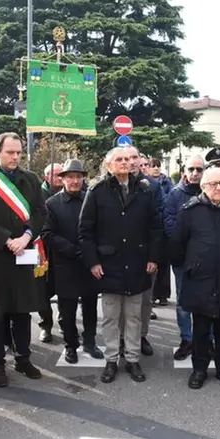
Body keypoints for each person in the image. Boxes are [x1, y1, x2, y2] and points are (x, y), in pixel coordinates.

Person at [0, 132, 48, 387]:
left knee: (22, 311)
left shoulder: (31, 179)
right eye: (10, 152)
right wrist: (6, 239)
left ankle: (23, 358)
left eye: (19, 152)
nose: (15, 157)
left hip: (23, 253)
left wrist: (26, 236)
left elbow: (39, 212)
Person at [79, 147, 163, 383]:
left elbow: (156, 227)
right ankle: (112, 359)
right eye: (120, 159)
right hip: (109, 264)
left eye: (128, 159)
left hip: (138, 262)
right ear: (109, 165)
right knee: (111, 317)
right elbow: (85, 231)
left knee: (134, 316)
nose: (126, 163)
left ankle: (133, 359)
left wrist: (153, 258)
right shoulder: (97, 191)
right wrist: (93, 262)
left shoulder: (145, 190)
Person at [171, 167, 220, 390]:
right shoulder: (189, 211)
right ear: (203, 186)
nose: (218, 188)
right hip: (200, 279)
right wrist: (191, 266)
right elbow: (177, 245)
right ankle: (199, 369)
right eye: (213, 184)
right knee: (201, 328)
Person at [40, 159, 104, 363]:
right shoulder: (52, 204)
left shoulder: (91, 199)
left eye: (78, 177)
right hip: (65, 264)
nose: (75, 181)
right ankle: (71, 345)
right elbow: (47, 234)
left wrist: (91, 254)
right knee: (66, 310)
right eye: (70, 177)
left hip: (89, 264)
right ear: (62, 179)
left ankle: (90, 341)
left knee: (90, 306)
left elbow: (99, 230)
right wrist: (73, 250)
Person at [163, 156, 205, 360]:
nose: (195, 173)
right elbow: (169, 223)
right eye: (191, 169)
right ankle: (186, 339)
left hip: (206, 258)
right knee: (183, 301)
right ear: (184, 172)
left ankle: (207, 340)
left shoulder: (211, 191)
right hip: (183, 258)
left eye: (199, 169)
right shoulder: (174, 195)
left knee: (208, 300)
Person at [123, 146, 163, 352]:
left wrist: (154, 257)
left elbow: (158, 224)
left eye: (134, 157)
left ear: (140, 160)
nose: (130, 161)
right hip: (119, 255)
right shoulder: (109, 184)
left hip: (144, 253)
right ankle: (122, 338)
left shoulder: (153, 187)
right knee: (121, 301)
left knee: (145, 300)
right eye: (125, 157)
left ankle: (142, 335)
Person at [38, 162, 63, 343]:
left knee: (64, 290)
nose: (60, 178)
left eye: (62, 175)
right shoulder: (38, 194)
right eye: (56, 175)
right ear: (47, 177)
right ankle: (46, 325)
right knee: (42, 292)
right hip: (43, 251)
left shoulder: (70, 193)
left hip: (62, 250)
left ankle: (64, 323)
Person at [145, 157, 173, 306]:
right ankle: (153, 294)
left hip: (164, 224)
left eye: (158, 166)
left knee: (164, 264)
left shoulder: (167, 182)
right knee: (153, 263)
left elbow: (170, 200)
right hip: (155, 225)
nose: (156, 168)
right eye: (153, 166)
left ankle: (163, 293)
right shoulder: (147, 183)